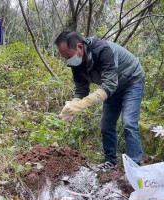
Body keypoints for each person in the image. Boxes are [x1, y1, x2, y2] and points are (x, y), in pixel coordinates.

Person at [55, 30, 145, 171]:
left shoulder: (102, 50)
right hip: (112, 87)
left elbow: (109, 85)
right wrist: (73, 104)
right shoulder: (76, 63)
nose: (67, 59)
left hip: (131, 80)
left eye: (68, 55)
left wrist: (84, 103)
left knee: (128, 122)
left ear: (79, 47)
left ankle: (135, 165)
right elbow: (81, 89)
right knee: (106, 124)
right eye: (64, 57)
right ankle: (111, 162)